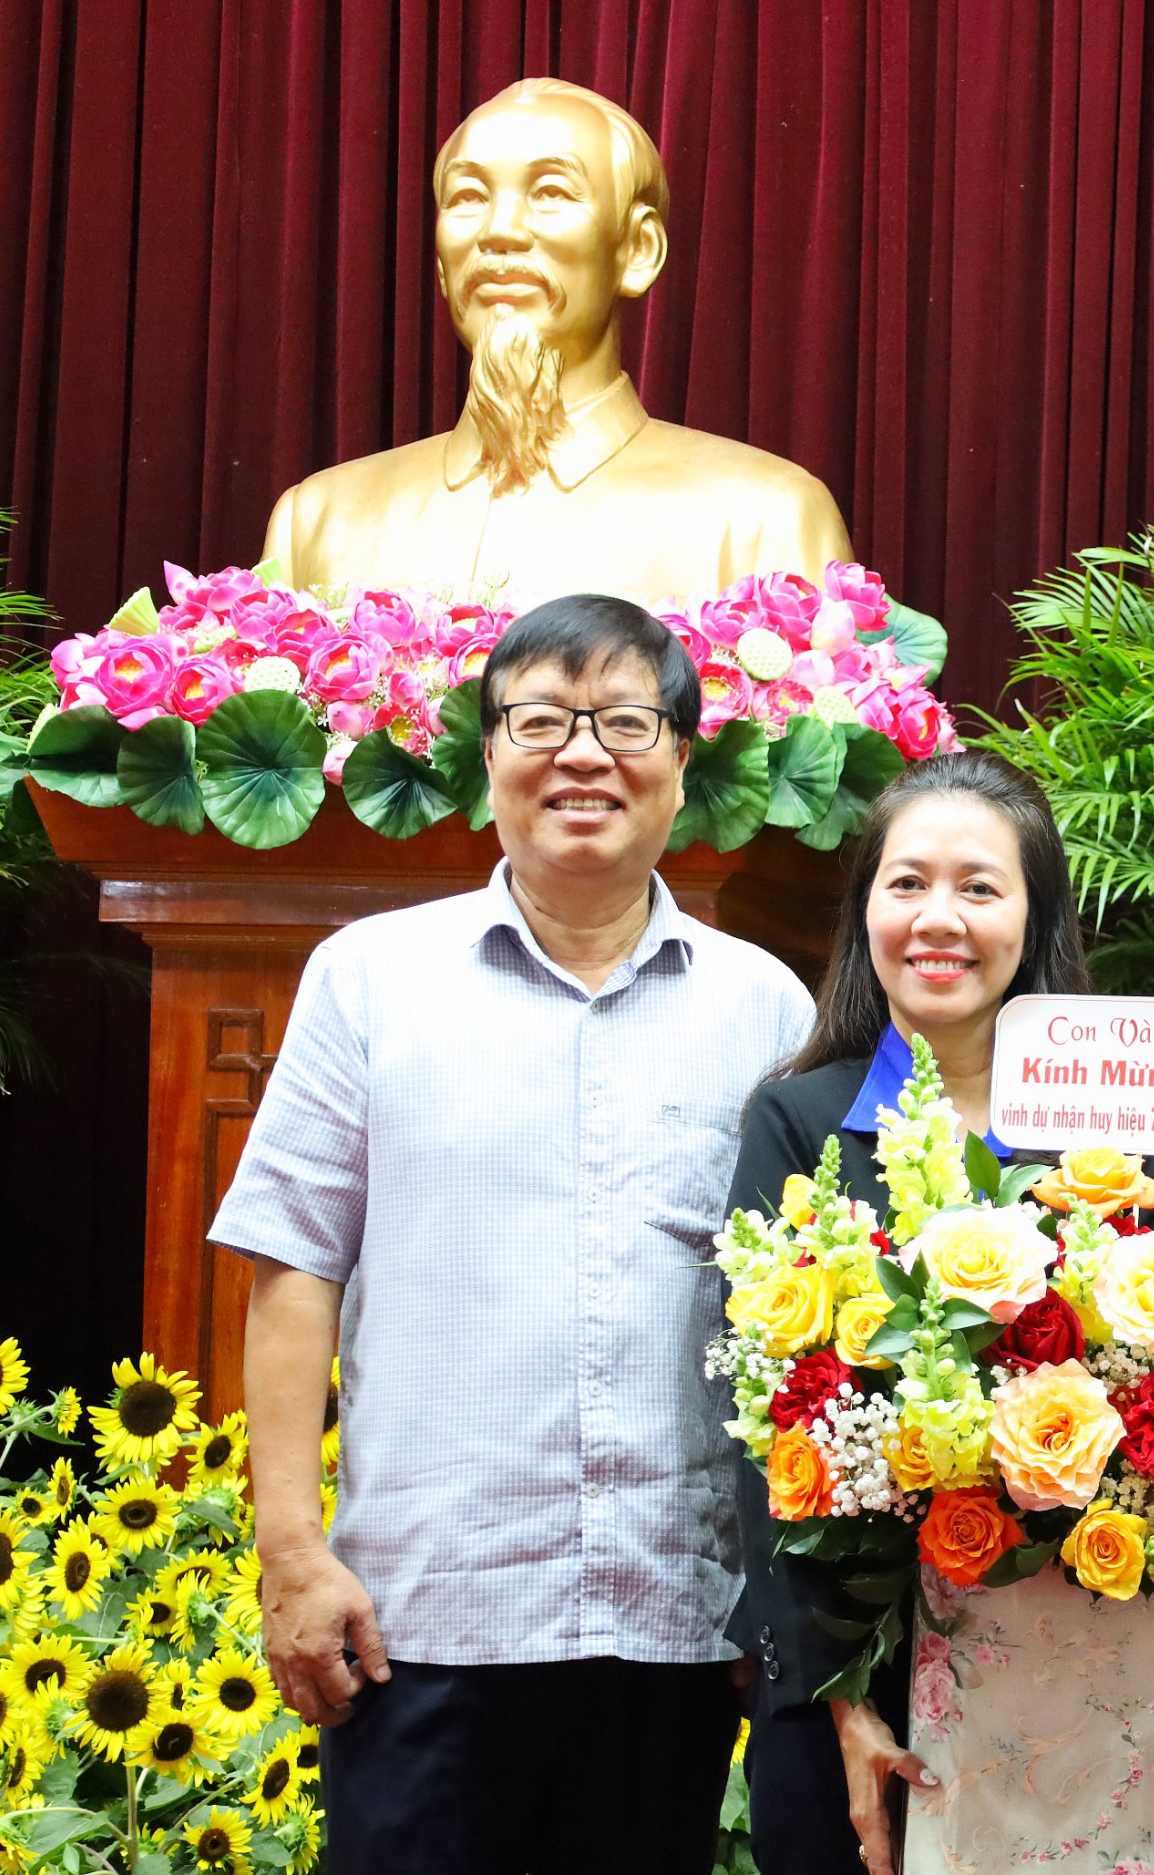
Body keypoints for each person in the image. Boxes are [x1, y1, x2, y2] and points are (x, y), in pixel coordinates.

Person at [212, 594, 816, 1874]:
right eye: (541, 719)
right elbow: (291, 1269)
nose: (582, 754)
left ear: (681, 760)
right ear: (488, 754)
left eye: (624, 721)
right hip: (424, 1620)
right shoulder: (370, 979)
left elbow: (803, 1317)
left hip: (669, 1621)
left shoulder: (763, 1007)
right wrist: (291, 1552)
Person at [725, 751, 1115, 1875]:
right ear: (864, 913)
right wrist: (839, 1694)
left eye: (980, 888)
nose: (938, 919)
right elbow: (762, 1430)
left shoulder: (1111, 1132)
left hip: (1069, 1664)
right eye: (906, 884)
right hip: (845, 1679)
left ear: (1033, 919)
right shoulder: (795, 1122)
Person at [258, 77, 851, 606]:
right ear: (440, 264)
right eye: (468, 198)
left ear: (637, 251)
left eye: (550, 192)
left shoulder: (764, 521)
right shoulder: (316, 522)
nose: (500, 231)